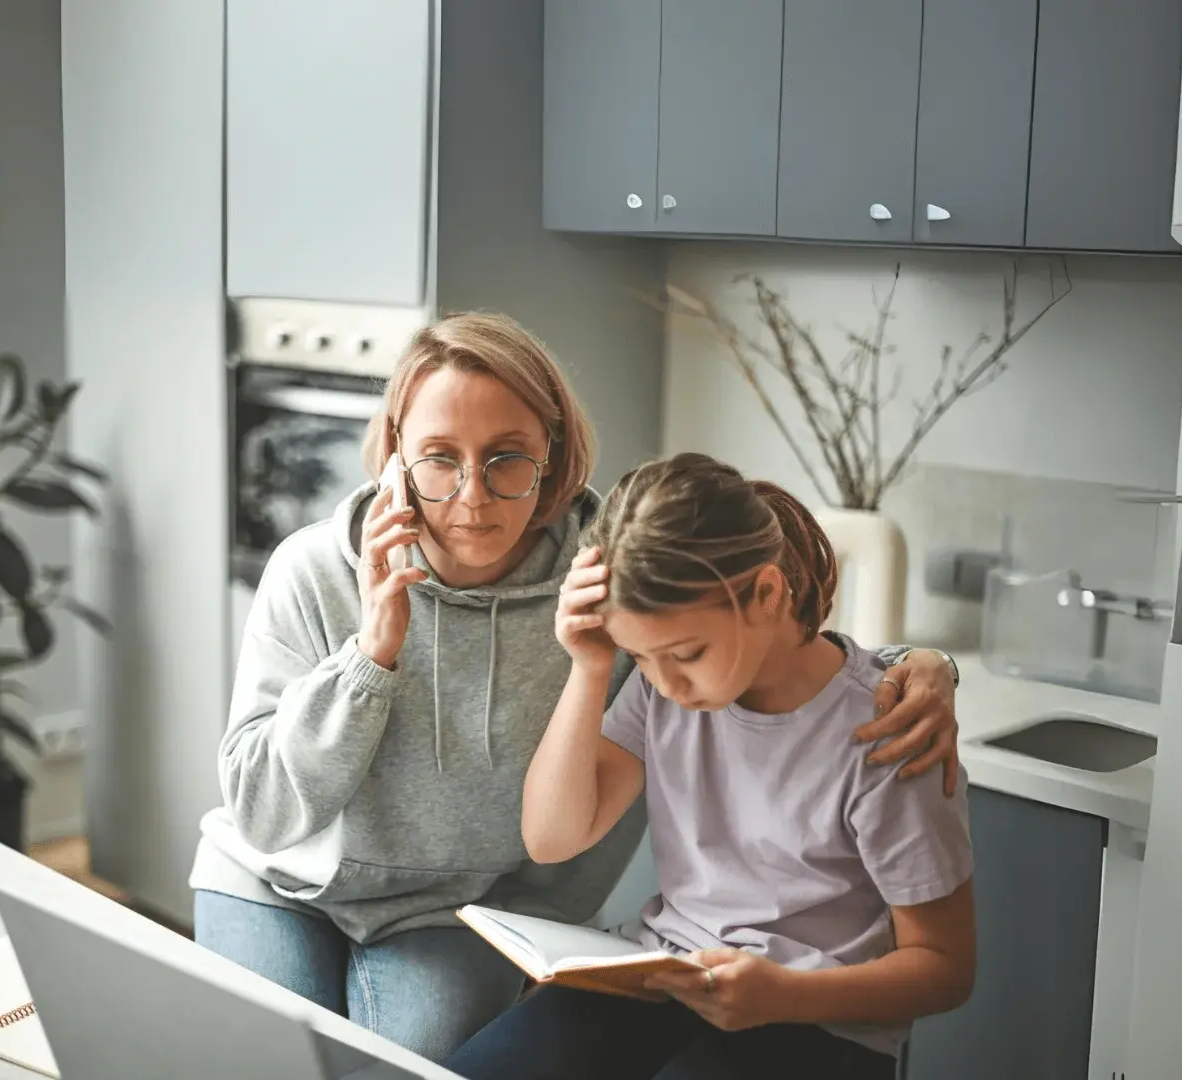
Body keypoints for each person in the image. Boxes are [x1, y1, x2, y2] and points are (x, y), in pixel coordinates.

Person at [189, 313, 966, 1064]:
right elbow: (262, 812)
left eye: (507, 459)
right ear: (393, 455)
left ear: (554, 456)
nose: (472, 496)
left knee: (409, 1066)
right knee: (266, 1061)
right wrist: (370, 655)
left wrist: (917, 664)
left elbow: (752, 629)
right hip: (281, 882)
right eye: (437, 456)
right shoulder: (315, 570)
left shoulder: (602, 589)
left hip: (455, 915)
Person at [446, 453, 976, 1080]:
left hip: (818, 1021)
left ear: (767, 593)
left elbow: (944, 968)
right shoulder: (658, 693)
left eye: (686, 654)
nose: (666, 684)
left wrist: (786, 994)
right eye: (639, 658)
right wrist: (589, 666)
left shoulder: (890, 730)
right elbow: (552, 838)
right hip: (665, 976)